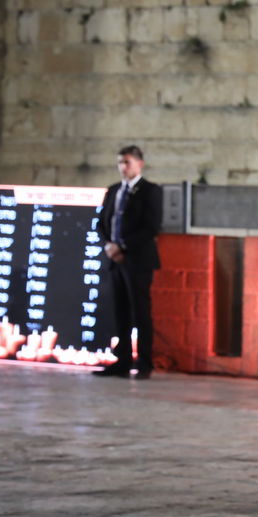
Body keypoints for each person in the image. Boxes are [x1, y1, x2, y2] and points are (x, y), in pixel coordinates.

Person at [95, 145, 163, 379]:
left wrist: (123, 246)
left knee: (140, 312)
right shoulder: (114, 190)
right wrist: (109, 245)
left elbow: (151, 227)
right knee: (120, 311)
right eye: (120, 163)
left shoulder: (150, 191)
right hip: (115, 260)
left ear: (139, 164)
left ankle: (144, 362)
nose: (124, 167)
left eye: (128, 162)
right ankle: (122, 360)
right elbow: (101, 222)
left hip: (137, 261)